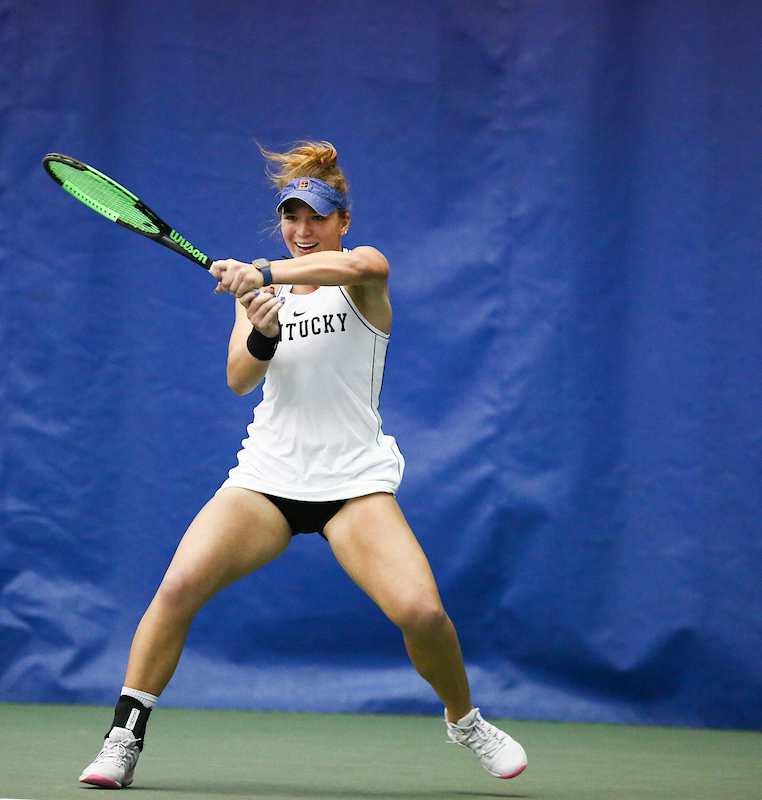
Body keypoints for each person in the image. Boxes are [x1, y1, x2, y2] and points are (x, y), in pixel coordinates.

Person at [79, 142, 527, 788]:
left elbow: (359, 267)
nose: (302, 230)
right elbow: (239, 379)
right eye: (292, 217)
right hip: (266, 481)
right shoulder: (258, 293)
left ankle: (465, 721)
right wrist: (262, 328)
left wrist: (262, 273)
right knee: (177, 589)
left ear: (342, 221)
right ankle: (123, 737)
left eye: (316, 217)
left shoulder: (365, 274)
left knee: (423, 614)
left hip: (354, 486)